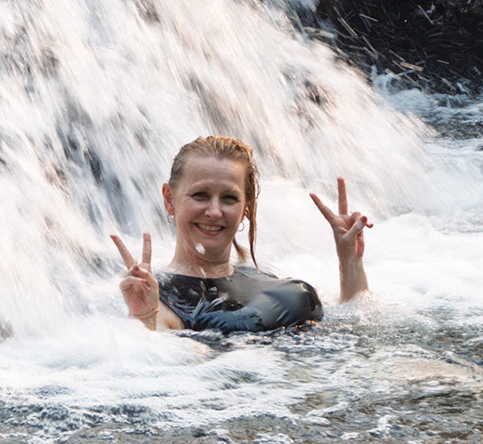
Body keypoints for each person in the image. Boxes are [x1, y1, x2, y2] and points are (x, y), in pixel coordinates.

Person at [109, 135, 371, 333]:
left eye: (229, 198)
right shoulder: (159, 297)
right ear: (169, 200)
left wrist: (349, 261)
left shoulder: (259, 276)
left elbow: (355, 324)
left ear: (246, 207)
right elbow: (155, 373)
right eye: (200, 195)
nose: (213, 211)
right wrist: (143, 320)